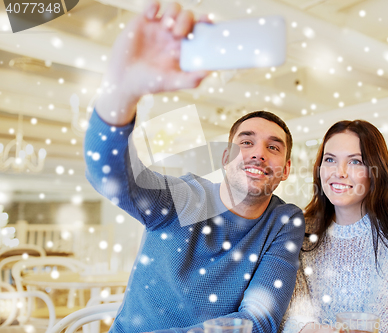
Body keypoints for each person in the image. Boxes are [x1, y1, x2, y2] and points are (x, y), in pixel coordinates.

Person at [84, 2, 305, 332]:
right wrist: (124, 91)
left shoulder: (284, 221)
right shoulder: (181, 198)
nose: (258, 153)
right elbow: (108, 176)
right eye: (246, 142)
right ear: (225, 159)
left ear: (285, 169)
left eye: (273, 147)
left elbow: (260, 319)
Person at [280, 120, 388, 333]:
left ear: (376, 170)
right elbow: (293, 315)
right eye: (330, 160)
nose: (340, 172)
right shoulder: (302, 228)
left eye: (355, 162)